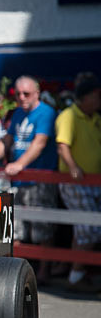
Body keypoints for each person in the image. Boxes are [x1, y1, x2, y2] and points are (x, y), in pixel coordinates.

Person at [0, 75, 58, 281]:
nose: (22, 98)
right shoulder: (17, 113)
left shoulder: (46, 113)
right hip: (18, 180)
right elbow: (7, 140)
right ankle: (16, 273)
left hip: (39, 180)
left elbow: (39, 143)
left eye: (26, 94)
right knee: (15, 228)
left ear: (37, 93)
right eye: (18, 94)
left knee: (42, 228)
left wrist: (20, 164)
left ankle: (44, 272)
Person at [53, 73, 101, 286]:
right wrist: (73, 167)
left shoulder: (96, 118)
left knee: (83, 228)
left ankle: (76, 272)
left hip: (93, 182)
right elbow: (62, 145)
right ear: (85, 97)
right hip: (76, 183)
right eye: (96, 96)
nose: (99, 100)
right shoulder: (68, 115)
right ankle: (77, 274)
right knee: (89, 227)